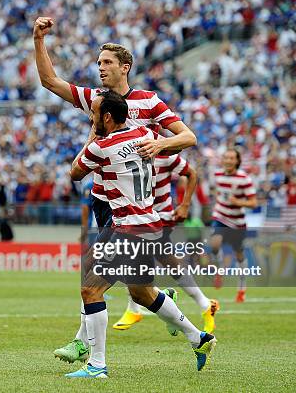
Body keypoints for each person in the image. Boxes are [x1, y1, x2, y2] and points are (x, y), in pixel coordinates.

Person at [63, 91, 217, 378]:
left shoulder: (102, 146)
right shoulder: (145, 134)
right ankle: (198, 338)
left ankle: (97, 365)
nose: (91, 117)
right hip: (152, 224)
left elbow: (74, 173)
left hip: (129, 229)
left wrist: (91, 137)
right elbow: (177, 144)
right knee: (142, 293)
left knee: (90, 289)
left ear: (107, 117)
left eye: (94, 113)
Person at [113, 152, 220, 334]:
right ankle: (202, 303)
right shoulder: (127, 150)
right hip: (140, 217)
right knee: (170, 264)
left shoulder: (165, 152)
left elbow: (191, 173)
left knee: (132, 259)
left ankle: (136, 308)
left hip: (160, 217)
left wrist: (185, 205)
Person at [209, 148, 257, 302]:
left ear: (237, 161)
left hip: (237, 222)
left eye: (231, 158)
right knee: (215, 244)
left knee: (239, 255)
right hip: (220, 217)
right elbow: (218, 192)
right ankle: (220, 269)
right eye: (226, 158)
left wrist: (238, 202)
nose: (228, 160)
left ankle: (241, 288)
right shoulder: (217, 175)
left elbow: (253, 203)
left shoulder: (244, 179)